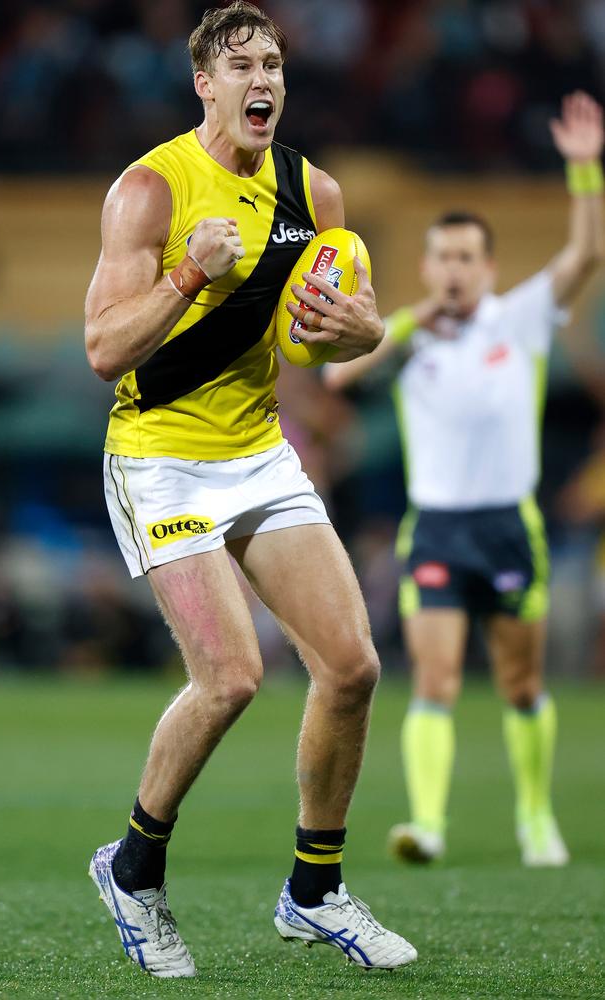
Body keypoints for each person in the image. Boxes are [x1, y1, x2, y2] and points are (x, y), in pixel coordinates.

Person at [84, 1, 416, 979]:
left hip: (258, 452)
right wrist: (189, 270)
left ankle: (313, 892)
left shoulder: (312, 190)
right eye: (239, 65)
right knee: (229, 675)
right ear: (204, 84)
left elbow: (321, 337)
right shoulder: (149, 190)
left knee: (351, 666)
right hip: (159, 454)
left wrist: (364, 335)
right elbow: (103, 349)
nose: (260, 78)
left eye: (271, 62)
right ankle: (133, 870)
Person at [323, 92, 604, 867]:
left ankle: (537, 818)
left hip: (509, 525)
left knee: (520, 683)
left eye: (465, 258)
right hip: (439, 528)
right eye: (441, 257)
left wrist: (583, 170)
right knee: (435, 679)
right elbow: (343, 380)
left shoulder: (518, 320)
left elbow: (585, 257)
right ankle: (428, 824)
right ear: (426, 267)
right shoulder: (407, 334)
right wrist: (397, 325)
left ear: (488, 267)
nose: (453, 269)